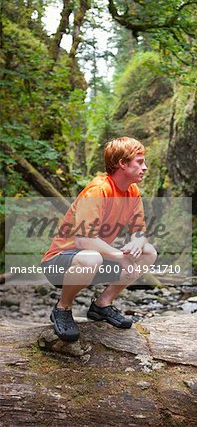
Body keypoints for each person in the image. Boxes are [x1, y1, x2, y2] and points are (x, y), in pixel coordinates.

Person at [41, 137, 157, 342]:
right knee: (90, 257)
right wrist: (122, 257)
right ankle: (62, 308)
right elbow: (83, 241)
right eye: (139, 162)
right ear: (122, 163)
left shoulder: (132, 191)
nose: (145, 167)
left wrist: (137, 243)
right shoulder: (98, 190)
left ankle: (102, 305)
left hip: (95, 259)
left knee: (149, 252)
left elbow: (139, 231)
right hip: (59, 263)